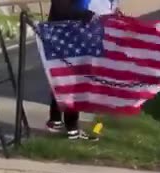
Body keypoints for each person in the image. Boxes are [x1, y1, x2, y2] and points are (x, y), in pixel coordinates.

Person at [46, 0, 119, 140]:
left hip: (72, 32)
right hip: (67, 34)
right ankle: (72, 129)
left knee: (63, 79)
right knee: (72, 81)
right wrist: (90, 15)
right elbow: (62, 8)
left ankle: (55, 120)